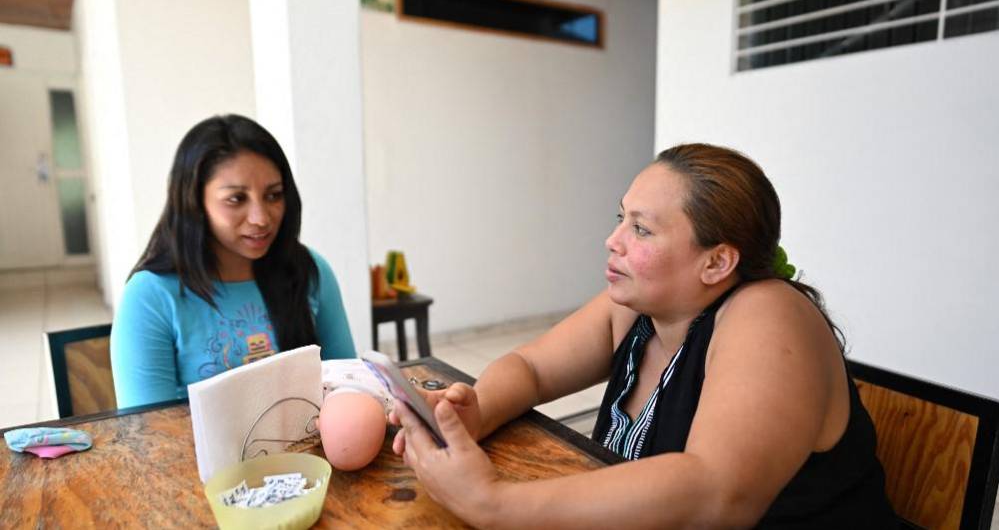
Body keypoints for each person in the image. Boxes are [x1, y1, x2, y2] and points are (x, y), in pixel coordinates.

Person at [390, 143, 897, 528]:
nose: (613, 241)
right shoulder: (638, 307)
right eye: (620, 219)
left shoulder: (770, 315)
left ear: (717, 261)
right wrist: (477, 411)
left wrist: (492, 504)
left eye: (642, 229)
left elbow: (716, 494)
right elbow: (532, 368)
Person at [110, 114, 357, 408]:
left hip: (310, 453)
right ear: (194, 202)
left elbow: (348, 387)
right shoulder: (151, 295)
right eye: (236, 199)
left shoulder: (309, 271)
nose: (261, 218)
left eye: (274, 195)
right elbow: (147, 431)